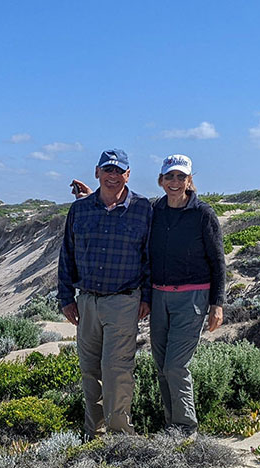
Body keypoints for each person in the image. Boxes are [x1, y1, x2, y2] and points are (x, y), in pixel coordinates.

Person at [70, 154, 224, 436]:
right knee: (162, 366)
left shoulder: (202, 213)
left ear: (190, 179)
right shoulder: (156, 210)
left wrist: (217, 303)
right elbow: (114, 213)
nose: (175, 182)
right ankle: (171, 426)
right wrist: (94, 196)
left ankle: (185, 429)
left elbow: (218, 261)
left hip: (190, 298)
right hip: (158, 297)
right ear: (161, 180)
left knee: (175, 365)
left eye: (181, 176)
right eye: (170, 177)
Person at [58, 149, 154, 439]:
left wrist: (147, 297)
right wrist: (65, 298)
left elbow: (150, 256)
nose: (113, 176)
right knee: (89, 371)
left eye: (119, 171)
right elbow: (67, 254)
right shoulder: (80, 209)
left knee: (116, 371)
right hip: (86, 302)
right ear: (97, 172)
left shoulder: (143, 209)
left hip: (124, 301)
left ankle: (121, 434)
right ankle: (94, 433)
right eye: (107, 170)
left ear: (128, 174)